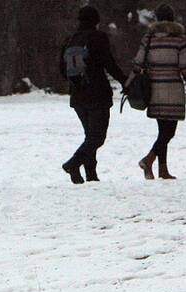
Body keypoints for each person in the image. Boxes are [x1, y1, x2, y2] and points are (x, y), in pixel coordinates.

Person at [59, 5, 127, 184]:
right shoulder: (98, 37)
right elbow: (109, 63)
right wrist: (125, 81)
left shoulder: (70, 40)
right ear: (96, 21)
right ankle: (73, 164)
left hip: (77, 96)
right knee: (97, 137)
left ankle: (90, 175)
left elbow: (62, 70)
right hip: (97, 94)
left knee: (90, 136)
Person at [132, 4, 186, 180]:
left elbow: (138, 63)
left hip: (153, 91)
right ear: (172, 19)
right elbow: (185, 68)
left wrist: (129, 86)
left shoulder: (148, 39)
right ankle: (149, 160)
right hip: (173, 90)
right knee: (168, 132)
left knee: (163, 131)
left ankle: (163, 170)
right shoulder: (179, 40)